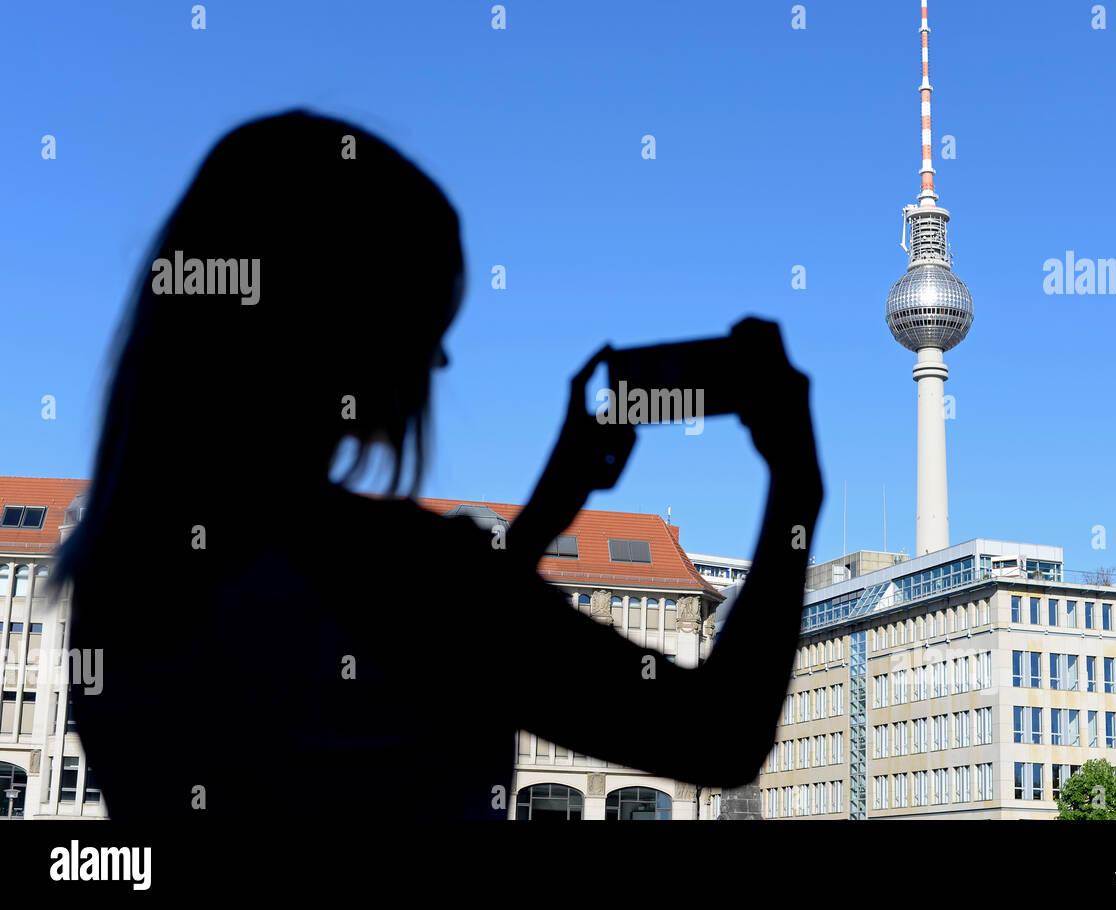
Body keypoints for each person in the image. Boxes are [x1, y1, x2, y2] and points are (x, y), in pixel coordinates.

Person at [56, 109, 823, 822]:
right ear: (343, 319)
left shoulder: (122, 576)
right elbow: (718, 736)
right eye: (425, 320)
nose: (442, 357)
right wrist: (796, 486)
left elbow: (421, 672)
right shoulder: (409, 573)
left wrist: (548, 513)